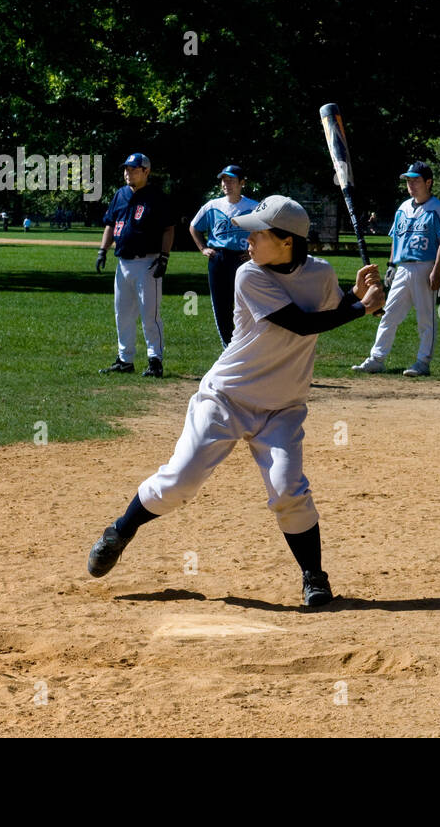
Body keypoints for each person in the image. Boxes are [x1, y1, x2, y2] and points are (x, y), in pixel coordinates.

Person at [85, 195, 384, 605]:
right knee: (180, 481)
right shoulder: (249, 275)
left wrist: (360, 297)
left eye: (257, 234)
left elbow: (331, 308)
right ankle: (120, 531)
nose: (248, 241)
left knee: (288, 490)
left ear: (287, 241)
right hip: (226, 398)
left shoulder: (321, 273)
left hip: (282, 407)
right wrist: (360, 310)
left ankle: (314, 576)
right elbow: (298, 323)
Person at [352, 162, 440, 377]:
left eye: (416, 180)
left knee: (425, 318)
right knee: (389, 315)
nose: (411, 185)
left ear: (428, 182)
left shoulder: (438, 209)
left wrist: (436, 269)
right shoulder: (403, 208)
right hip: (402, 268)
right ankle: (376, 359)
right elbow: (396, 239)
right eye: (408, 181)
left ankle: (423, 362)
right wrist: (391, 266)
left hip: (425, 266)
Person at [95, 153, 174, 378]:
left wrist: (164, 258)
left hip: (148, 262)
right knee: (123, 314)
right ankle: (125, 359)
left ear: (146, 171)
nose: (128, 173)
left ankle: (155, 360)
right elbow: (110, 224)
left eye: (133, 169)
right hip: (123, 262)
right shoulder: (120, 194)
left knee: (150, 314)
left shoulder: (156, 196)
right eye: (126, 169)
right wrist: (103, 250)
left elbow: (169, 228)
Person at [190, 164, 260, 348]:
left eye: (231, 180)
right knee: (221, 305)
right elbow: (194, 227)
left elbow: (264, 231)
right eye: (224, 180)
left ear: (242, 183)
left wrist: (255, 250)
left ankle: (247, 344)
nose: (226, 183)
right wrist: (203, 248)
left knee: (245, 304)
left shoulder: (253, 207)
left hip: (242, 259)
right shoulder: (213, 206)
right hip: (219, 259)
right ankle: (228, 347)